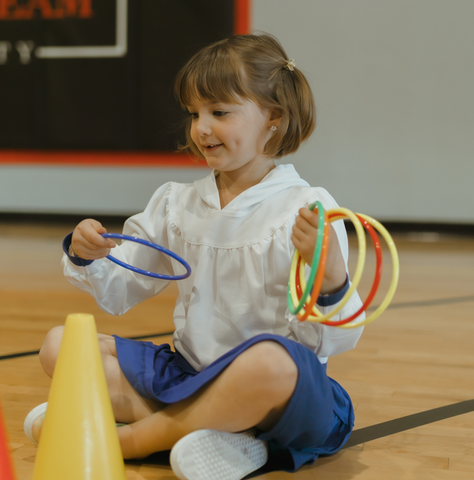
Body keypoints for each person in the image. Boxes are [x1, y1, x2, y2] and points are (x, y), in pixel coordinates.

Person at [24, 33, 365, 480]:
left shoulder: (306, 208)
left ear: (274, 118)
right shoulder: (175, 204)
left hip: (284, 392)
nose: (202, 127)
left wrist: (331, 275)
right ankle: (225, 435)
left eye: (219, 112)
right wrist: (88, 254)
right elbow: (122, 287)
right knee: (61, 345)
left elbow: (334, 340)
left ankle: (125, 439)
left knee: (271, 362)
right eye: (194, 114)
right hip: (188, 375)